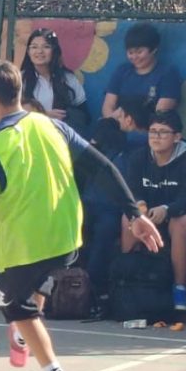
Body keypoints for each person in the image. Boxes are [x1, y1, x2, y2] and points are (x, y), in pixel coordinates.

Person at [0, 60, 162, 371]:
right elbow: (102, 166)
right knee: (36, 279)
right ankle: (25, 331)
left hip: (23, 244)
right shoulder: (53, 126)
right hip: (66, 237)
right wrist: (134, 213)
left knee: (13, 304)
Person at [119, 110, 186, 313]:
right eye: (153, 131)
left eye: (163, 132)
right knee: (128, 218)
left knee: (180, 223)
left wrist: (167, 209)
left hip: (178, 212)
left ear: (177, 137)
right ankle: (126, 280)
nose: (156, 137)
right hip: (148, 213)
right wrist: (140, 206)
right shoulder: (138, 157)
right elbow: (131, 190)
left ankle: (180, 288)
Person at [77, 118, 127, 316]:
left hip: (101, 209)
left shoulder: (113, 154)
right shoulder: (122, 152)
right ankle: (92, 289)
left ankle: (85, 288)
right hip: (101, 209)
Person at [101, 23, 181, 118]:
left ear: (154, 49)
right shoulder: (122, 71)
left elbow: (161, 112)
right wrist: (111, 121)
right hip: (119, 123)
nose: (134, 57)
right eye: (130, 52)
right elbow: (108, 106)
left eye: (139, 52)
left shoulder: (167, 73)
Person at [20, 28, 87, 131]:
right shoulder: (19, 80)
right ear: (28, 52)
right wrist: (44, 116)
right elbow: (10, 115)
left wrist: (66, 117)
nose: (39, 51)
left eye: (46, 47)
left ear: (54, 51)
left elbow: (84, 115)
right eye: (34, 47)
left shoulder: (68, 79)